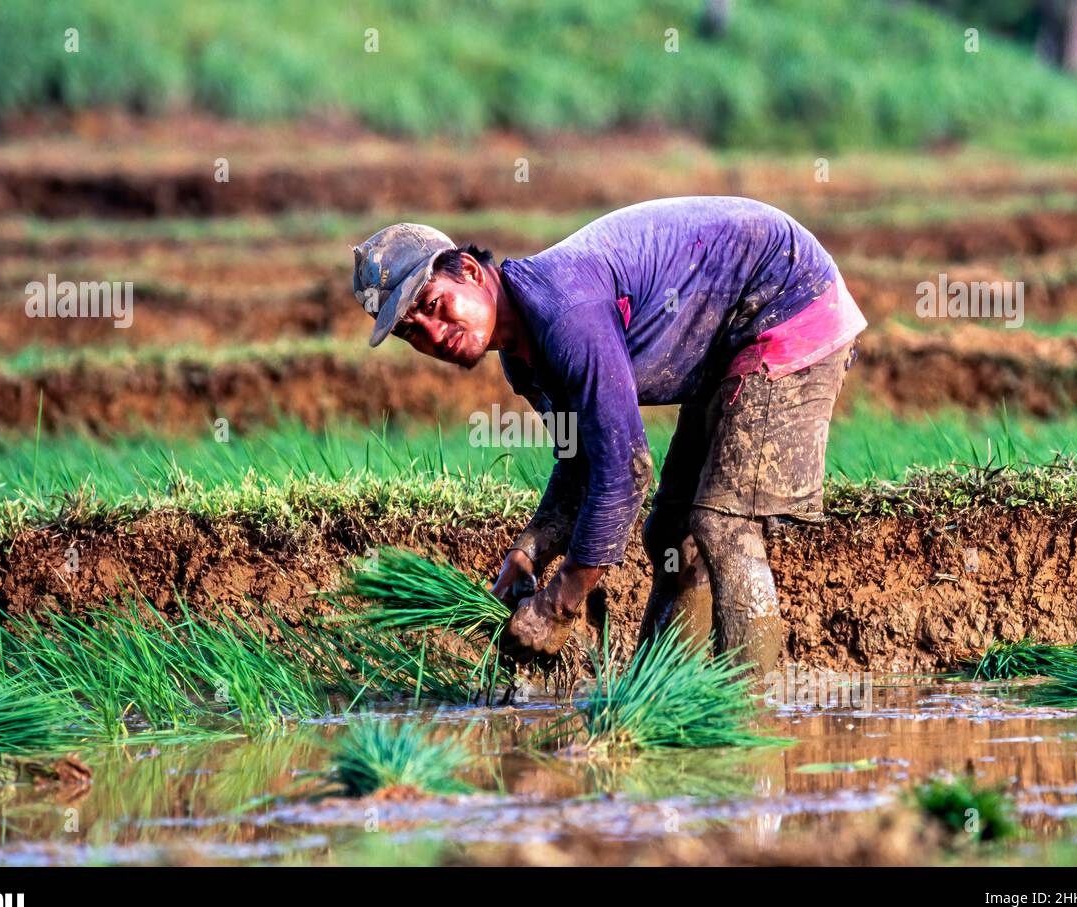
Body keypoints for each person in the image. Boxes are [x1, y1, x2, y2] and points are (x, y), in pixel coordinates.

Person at [351, 197, 865, 671]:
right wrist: (529, 552)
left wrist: (557, 604)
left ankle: (754, 725)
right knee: (671, 534)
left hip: (786, 300)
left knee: (721, 525)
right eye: (412, 330)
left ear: (468, 271)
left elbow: (625, 469)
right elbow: (582, 461)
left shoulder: (563, 315)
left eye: (436, 305)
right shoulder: (523, 358)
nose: (434, 333)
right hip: (732, 339)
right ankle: (670, 702)